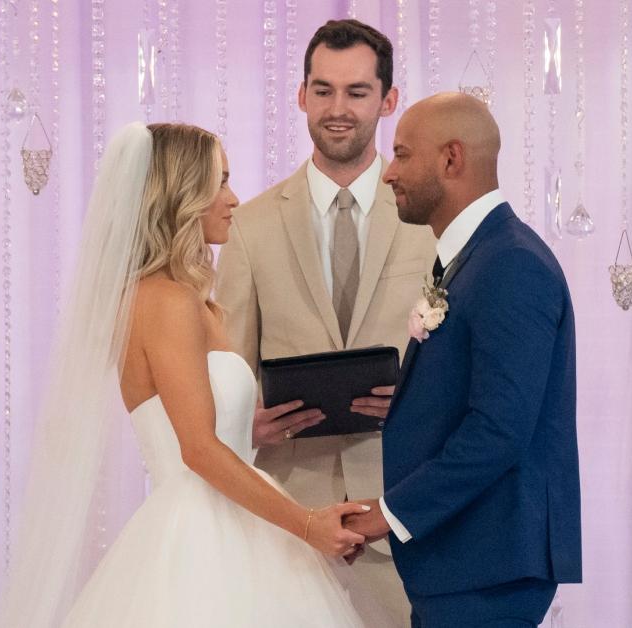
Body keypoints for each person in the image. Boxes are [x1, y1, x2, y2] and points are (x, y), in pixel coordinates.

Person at [0, 122, 395, 627]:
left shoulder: (193, 302)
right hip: (200, 536)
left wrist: (252, 432)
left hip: (236, 517)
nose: (233, 199)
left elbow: (197, 427)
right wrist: (307, 523)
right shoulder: (164, 300)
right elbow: (198, 450)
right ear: (182, 195)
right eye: (220, 182)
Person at [215, 20, 436, 623]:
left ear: (389, 101)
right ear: (301, 95)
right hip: (286, 520)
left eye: (357, 92)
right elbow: (225, 370)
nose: (337, 109)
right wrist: (244, 425)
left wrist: (419, 405)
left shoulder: (432, 220)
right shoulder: (252, 225)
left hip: (401, 515)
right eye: (323, 90)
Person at [344, 93, 583, 628]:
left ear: (452, 159)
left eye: (402, 154)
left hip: (488, 570)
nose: (388, 174)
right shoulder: (475, 257)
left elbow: (499, 429)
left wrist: (387, 514)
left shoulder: (511, 263)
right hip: (463, 566)